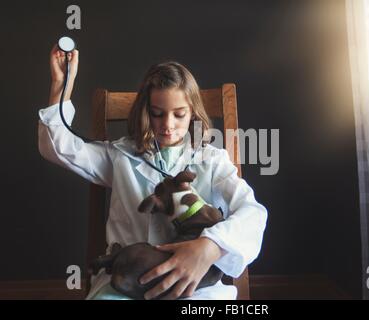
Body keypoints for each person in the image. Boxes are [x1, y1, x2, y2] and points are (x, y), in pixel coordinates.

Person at [38, 45, 268, 300]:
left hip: (195, 283)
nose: (168, 126)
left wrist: (209, 247)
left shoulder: (212, 160)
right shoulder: (120, 156)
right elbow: (57, 148)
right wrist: (61, 85)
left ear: (192, 113)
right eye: (157, 114)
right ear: (145, 112)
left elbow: (253, 213)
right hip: (127, 279)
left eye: (179, 115)